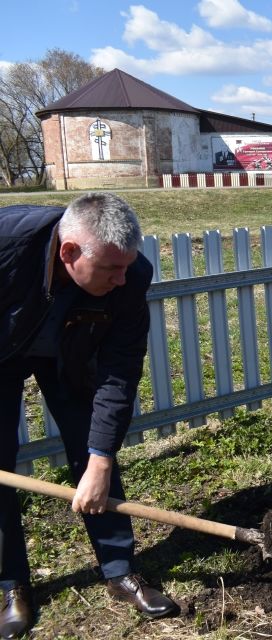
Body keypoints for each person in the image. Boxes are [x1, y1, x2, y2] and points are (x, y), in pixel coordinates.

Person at [0, 193, 179, 638]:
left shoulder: (130, 275)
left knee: (94, 451)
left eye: (126, 266)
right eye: (109, 270)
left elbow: (120, 371)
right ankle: (10, 584)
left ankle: (119, 570)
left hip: (69, 352)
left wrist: (100, 458)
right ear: (69, 252)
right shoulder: (6, 247)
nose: (122, 279)